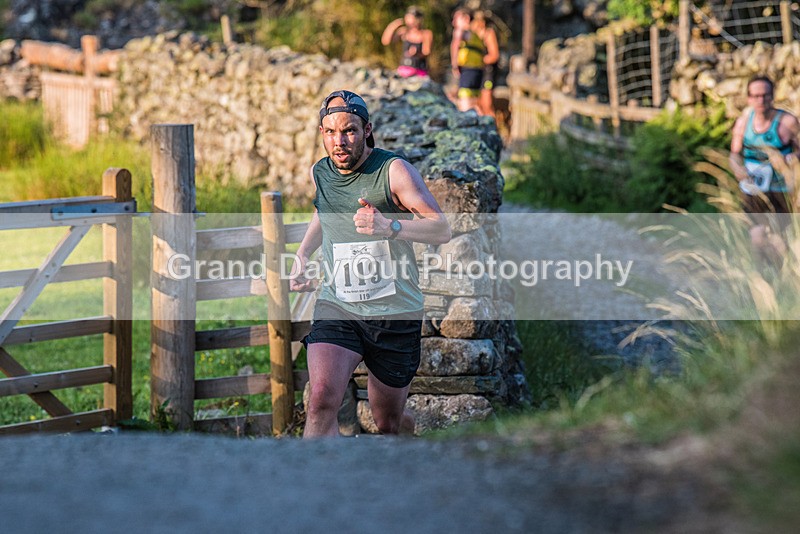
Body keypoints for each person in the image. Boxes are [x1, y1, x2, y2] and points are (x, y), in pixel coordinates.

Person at [292, 90, 451, 438]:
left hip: (394, 313)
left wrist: (390, 226)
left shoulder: (393, 171)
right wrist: (303, 254)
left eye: (349, 130)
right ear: (321, 133)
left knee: (387, 423)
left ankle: (410, 452)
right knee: (320, 401)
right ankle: (313, 487)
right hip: (339, 305)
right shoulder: (320, 173)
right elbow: (324, 213)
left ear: (367, 130)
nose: (340, 141)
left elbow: (441, 228)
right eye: (331, 132)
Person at [730, 75, 800, 263]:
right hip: (753, 190)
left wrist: (793, 158)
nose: (761, 100)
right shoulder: (743, 123)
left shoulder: (787, 122)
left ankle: (783, 277)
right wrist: (738, 169)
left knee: (779, 240)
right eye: (756, 96)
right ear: (749, 98)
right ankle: (763, 276)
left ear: (772, 96)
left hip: (781, 190)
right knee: (757, 236)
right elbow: (734, 154)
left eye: (765, 95)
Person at [450, 7, 499, 114]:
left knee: (486, 104)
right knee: (478, 104)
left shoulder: (487, 33)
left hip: (486, 71)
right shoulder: (473, 34)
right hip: (476, 70)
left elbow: (494, 55)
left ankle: (491, 127)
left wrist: (455, 64)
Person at [381, 6, 433, 78]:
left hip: (419, 70)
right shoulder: (404, 32)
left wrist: (416, 53)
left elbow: (427, 52)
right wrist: (393, 25)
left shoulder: (426, 34)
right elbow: (385, 41)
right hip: (404, 70)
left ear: (418, 19)